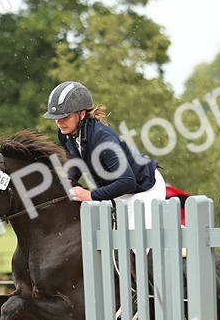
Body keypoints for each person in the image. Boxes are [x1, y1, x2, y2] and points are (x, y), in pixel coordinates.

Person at [43, 81, 166, 224]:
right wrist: (66, 181)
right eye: (56, 118)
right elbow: (76, 165)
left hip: (144, 187)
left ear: (81, 114)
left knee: (135, 242)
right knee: (116, 244)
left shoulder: (101, 138)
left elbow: (127, 182)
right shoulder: (65, 134)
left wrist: (90, 195)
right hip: (119, 191)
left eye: (65, 116)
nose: (59, 122)